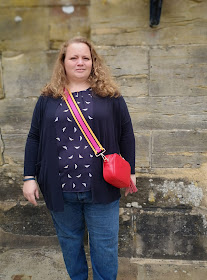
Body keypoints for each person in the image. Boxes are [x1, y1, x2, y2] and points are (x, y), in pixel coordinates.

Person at [23, 37, 136, 280]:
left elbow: (126, 133)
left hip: (103, 186)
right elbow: (34, 137)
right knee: (70, 243)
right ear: (63, 62)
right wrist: (29, 177)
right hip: (60, 187)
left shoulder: (110, 96)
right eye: (73, 57)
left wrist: (131, 172)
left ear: (93, 62)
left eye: (86, 57)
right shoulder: (48, 99)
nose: (80, 62)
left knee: (104, 247)